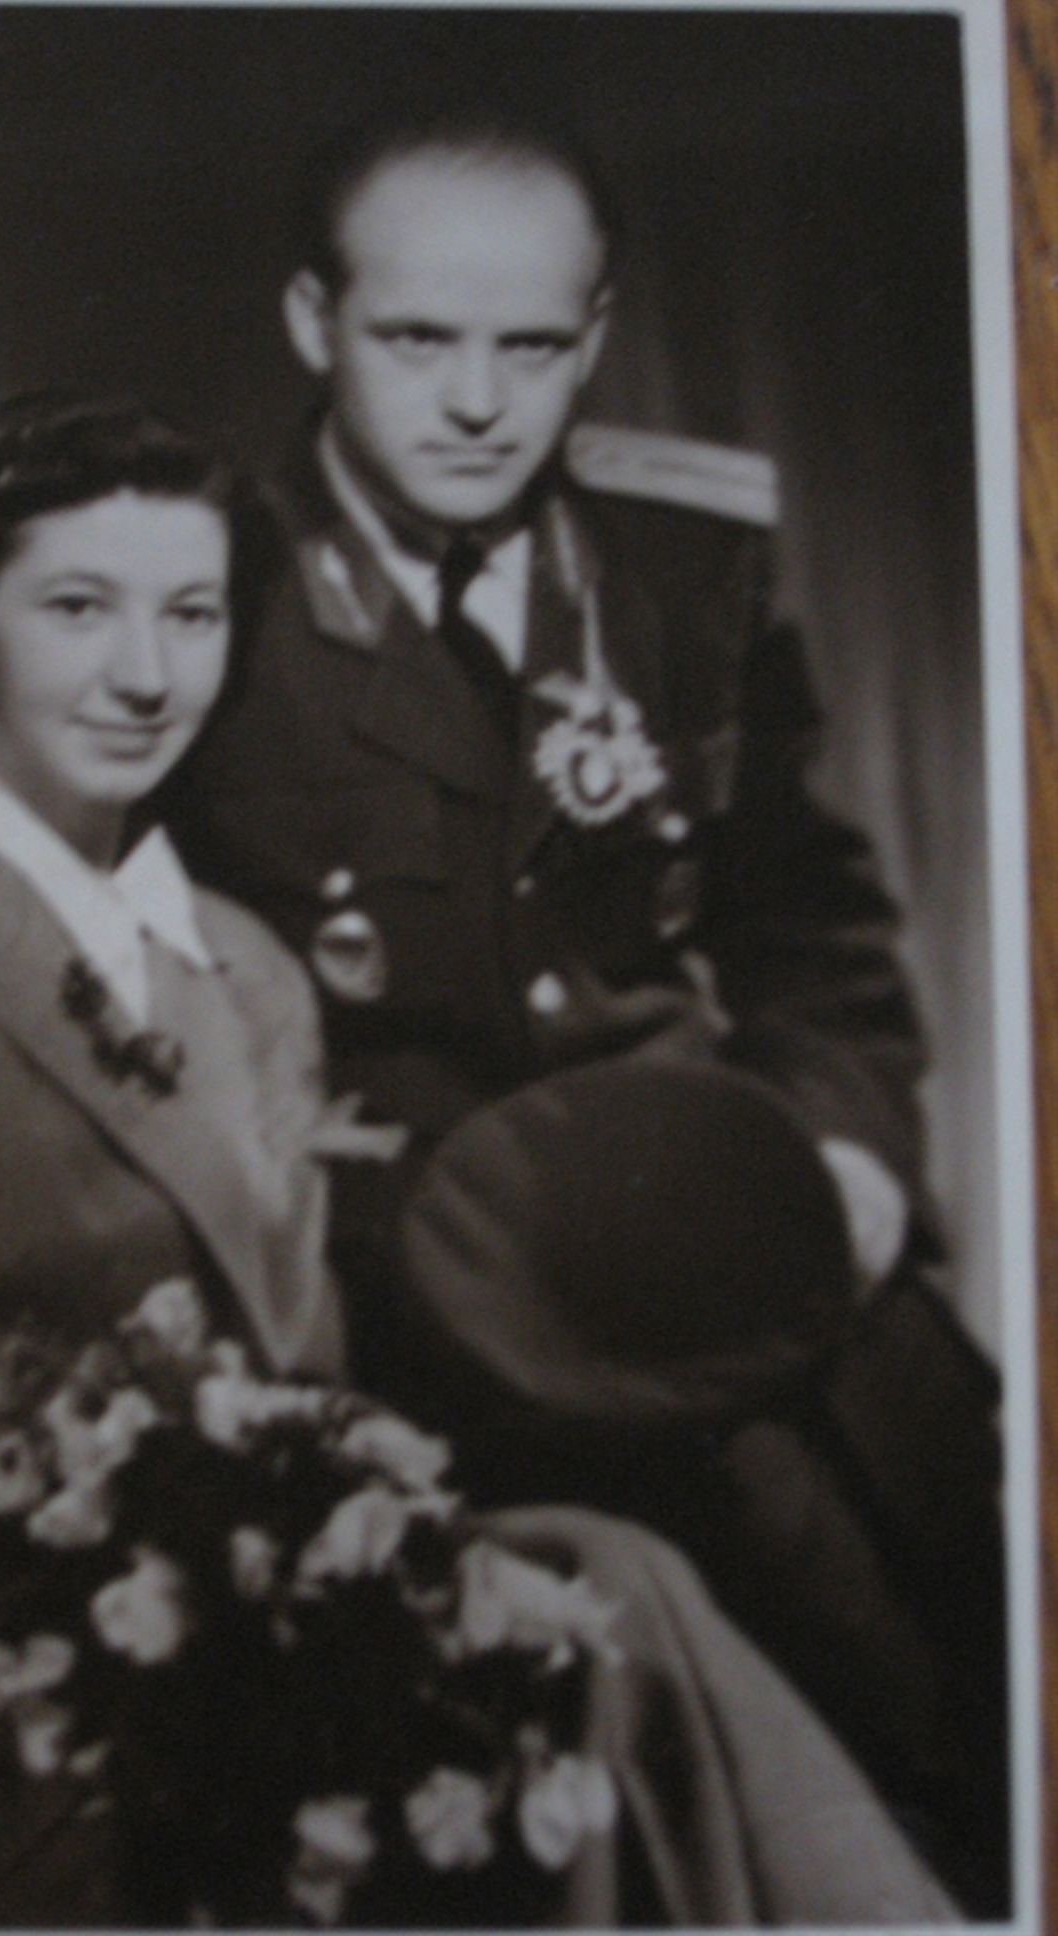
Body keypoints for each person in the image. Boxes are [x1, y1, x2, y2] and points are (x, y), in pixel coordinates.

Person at [0, 393, 957, 1928]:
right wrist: (36, 1490)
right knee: (594, 1666)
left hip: (274, 1641)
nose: (146, 674)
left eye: (193, 616)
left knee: (609, 1581)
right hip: (19, 1681)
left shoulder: (248, 969)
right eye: (78, 609)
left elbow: (299, 1382)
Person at [168, 110, 1007, 1908]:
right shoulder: (190, 592)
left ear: (596, 335)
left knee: (961, 1557)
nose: (479, 402)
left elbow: (806, 922)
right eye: (417, 339)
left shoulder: (675, 564)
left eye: (532, 346)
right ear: (314, 323)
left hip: (719, 1220)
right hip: (432, 1296)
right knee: (781, 1676)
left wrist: (849, 1161)